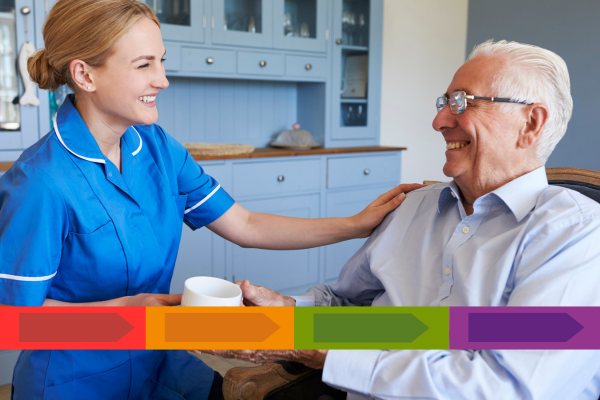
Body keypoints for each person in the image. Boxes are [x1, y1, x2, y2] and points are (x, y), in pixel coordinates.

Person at [0, 1, 421, 398]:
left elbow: (246, 224)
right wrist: (134, 308)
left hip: (161, 363)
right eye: (144, 65)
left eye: (161, 61)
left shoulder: (157, 149)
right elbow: (16, 324)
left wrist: (355, 224)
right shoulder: (40, 183)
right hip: (77, 381)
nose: (162, 79)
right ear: (85, 75)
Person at [204, 40, 600, 399]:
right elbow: (349, 304)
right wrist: (290, 309)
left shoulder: (576, 235)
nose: (440, 120)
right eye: (443, 101)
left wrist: (320, 350)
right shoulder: (413, 207)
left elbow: (505, 388)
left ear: (530, 123)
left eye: (462, 102)